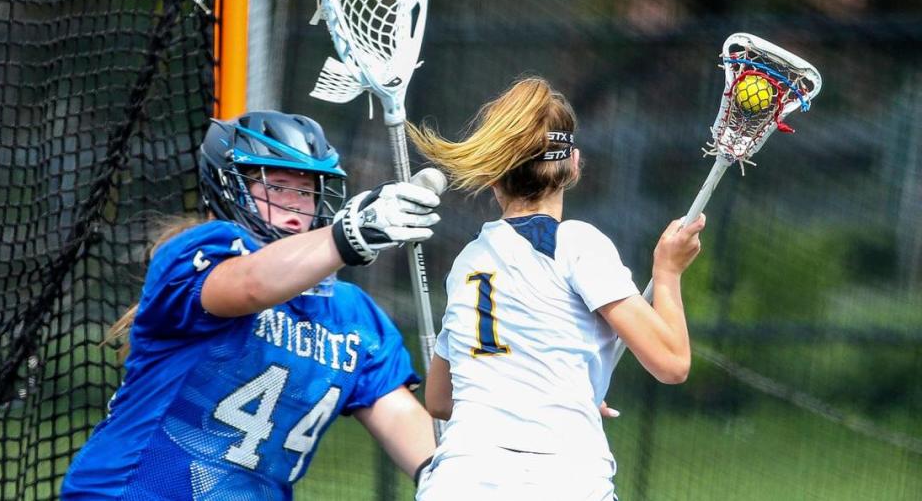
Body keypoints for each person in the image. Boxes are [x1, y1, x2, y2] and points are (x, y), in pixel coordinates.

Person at [62, 110, 439, 500]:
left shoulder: (350, 313)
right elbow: (251, 285)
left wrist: (448, 473)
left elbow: (397, 414)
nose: (295, 207)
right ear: (230, 187)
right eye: (276, 187)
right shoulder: (201, 251)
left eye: (306, 191)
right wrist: (347, 236)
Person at [407, 78, 705, 500]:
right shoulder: (577, 244)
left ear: (494, 176)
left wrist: (558, 392)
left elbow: (439, 398)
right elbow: (672, 363)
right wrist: (668, 272)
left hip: (459, 480)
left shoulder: (467, 263)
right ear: (574, 164)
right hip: (562, 479)